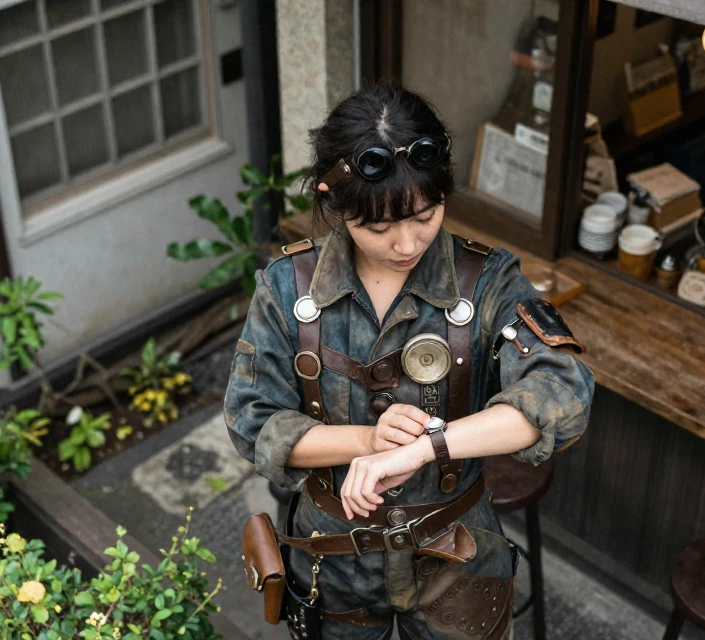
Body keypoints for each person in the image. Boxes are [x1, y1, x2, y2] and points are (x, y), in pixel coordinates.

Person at [225, 82, 595, 640]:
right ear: (333, 201)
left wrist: (426, 448)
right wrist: (367, 442)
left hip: (456, 551)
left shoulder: (487, 281)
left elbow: (562, 392)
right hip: (333, 556)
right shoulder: (286, 287)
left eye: (425, 215)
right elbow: (251, 420)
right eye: (378, 227)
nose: (406, 244)